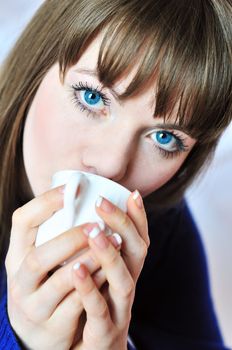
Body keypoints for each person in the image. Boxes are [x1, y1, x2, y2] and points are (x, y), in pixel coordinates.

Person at [0, 0, 231, 349]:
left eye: (164, 138)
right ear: (37, 66)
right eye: (92, 97)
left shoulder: (161, 227)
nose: (111, 165)